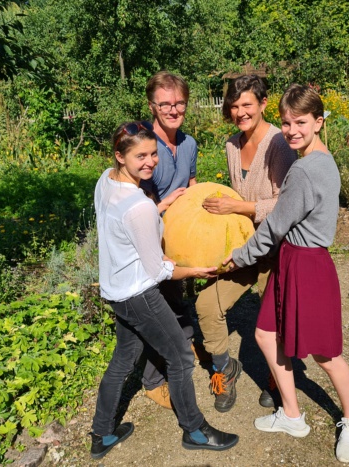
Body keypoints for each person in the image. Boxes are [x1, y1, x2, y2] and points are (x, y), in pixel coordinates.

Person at [223, 85, 349, 463]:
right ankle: (291, 414)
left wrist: (240, 257)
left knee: (326, 354)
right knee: (266, 334)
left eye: (300, 122)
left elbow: (273, 227)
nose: (291, 130)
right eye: (286, 123)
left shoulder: (305, 170)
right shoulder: (320, 157)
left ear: (319, 122)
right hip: (292, 259)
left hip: (308, 264)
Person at [90, 121, 238, 459]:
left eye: (153, 154)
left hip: (116, 292)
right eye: (140, 156)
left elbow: (123, 225)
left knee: (124, 359)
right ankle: (196, 430)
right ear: (120, 156)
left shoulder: (106, 181)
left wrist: (165, 202)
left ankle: (101, 434)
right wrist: (198, 270)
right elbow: (159, 270)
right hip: (140, 294)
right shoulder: (139, 205)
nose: (150, 162)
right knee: (181, 357)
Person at [199, 75, 297, 412]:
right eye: (234, 106)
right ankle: (225, 368)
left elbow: (286, 204)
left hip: (276, 247)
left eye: (247, 105)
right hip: (244, 246)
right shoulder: (231, 144)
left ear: (263, 104)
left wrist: (238, 207)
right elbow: (237, 197)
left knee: (278, 314)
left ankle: (276, 376)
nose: (240, 112)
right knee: (207, 305)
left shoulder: (279, 144)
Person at [138, 71, 200, 409]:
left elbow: (191, 187)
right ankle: (152, 380)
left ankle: (185, 343)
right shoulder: (143, 144)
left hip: (177, 237)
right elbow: (131, 201)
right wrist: (162, 207)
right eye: (165, 104)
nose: (173, 110)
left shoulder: (189, 144)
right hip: (148, 240)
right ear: (152, 106)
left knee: (176, 298)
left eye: (179, 103)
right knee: (155, 311)